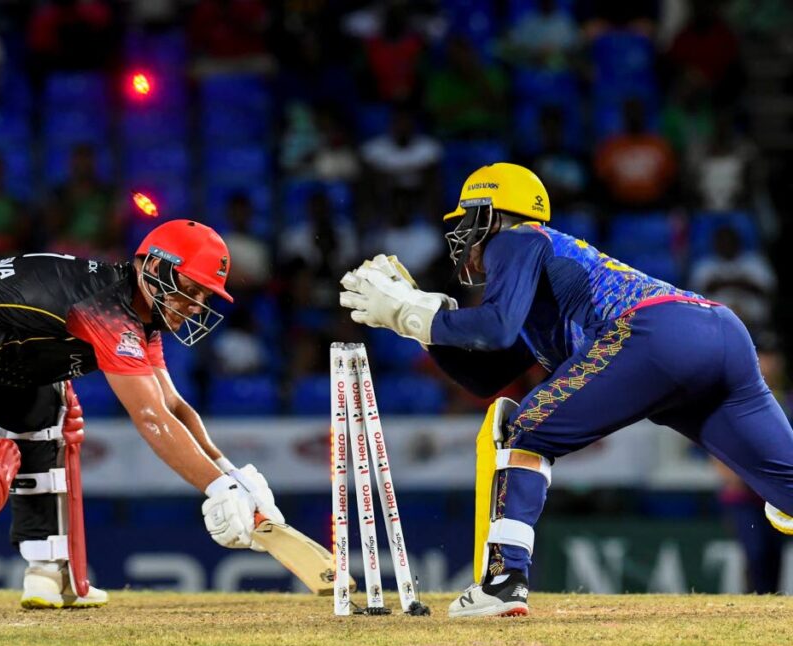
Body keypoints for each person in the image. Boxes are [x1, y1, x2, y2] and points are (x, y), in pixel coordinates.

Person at [339, 163, 793, 617]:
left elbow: (494, 329)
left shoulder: (515, 239)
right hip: (722, 334)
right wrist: (418, 324)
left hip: (656, 334)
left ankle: (504, 581)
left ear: (491, 216)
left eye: (465, 222)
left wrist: (414, 313)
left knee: (523, 432)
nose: (462, 238)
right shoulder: (543, 279)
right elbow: (483, 376)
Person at [0, 219, 285, 615]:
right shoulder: (109, 308)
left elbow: (171, 405)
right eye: (191, 287)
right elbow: (149, 417)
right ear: (153, 267)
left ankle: (50, 573)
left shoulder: (139, 315)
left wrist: (233, 476)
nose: (196, 303)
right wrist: (214, 488)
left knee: (49, 412)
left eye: (205, 294)